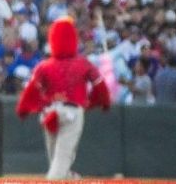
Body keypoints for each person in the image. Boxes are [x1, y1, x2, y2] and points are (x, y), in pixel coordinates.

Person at [16, 16, 111, 180]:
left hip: (49, 112)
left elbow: (31, 91)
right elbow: (100, 86)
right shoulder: (83, 63)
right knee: (61, 160)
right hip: (72, 112)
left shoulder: (44, 65)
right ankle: (65, 177)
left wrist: (26, 108)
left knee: (56, 159)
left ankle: (70, 177)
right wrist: (99, 102)